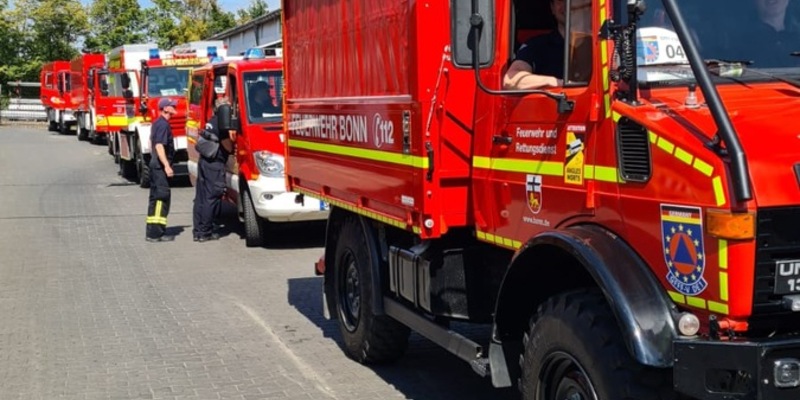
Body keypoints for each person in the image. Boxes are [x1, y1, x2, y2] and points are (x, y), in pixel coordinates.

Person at [192, 98, 237, 242]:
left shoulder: (211, 121)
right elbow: (228, 147)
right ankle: (205, 232)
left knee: (201, 197)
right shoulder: (222, 124)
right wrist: (233, 143)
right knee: (212, 197)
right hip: (214, 165)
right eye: (229, 108)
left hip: (204, 162)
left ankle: (198, 231)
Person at [503, 0, 567, 90]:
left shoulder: (589, 46)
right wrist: (556, 82)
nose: (567, 5)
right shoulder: (537, 46)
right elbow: (511, 80)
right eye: (560, 0)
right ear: (552, 8)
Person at [145, 98, 177, 242]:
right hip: (159, 168)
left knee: (156, 198)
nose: (175, 107)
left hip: (155, 166)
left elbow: (151, 143)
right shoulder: (163, 125)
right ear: (165, 109)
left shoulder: (158, 123)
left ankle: (153, 231)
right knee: (160, 199)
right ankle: (156, 233)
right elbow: (159, 146)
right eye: (172, 106)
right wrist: (166, 165)